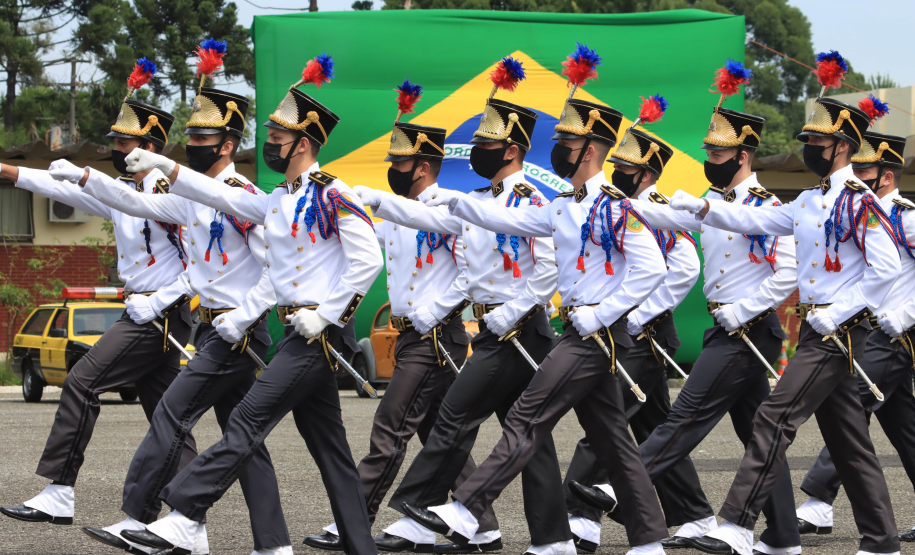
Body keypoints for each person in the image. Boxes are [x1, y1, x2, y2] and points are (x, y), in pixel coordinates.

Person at [108, 54, 383, 555]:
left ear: (303, 142)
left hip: (318, 334)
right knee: (332, 453)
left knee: (246, 421)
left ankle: (186, 513)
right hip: (298, 330)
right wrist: (165, 165)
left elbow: (368, 259)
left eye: (278, 141)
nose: (270, 147)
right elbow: (226, 199)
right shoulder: (279, 199)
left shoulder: (333, 194)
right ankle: (360, 548)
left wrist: (326, 313)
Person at [410, 77, 673, 554]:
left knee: (527, 417)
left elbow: (653, 266)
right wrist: (458, 201)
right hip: (582, 328)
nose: (559, 151)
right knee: (614, 441)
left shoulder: (613, 206)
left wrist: (603, 313)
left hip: (593, 335)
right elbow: (508, 220)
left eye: (568, 144)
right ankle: (650, 539)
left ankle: (467, 507)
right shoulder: (564, 206)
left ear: (590, 151)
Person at [66, 43, 293, 555]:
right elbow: (132, 199)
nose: (193, 143)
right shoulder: (192, 194)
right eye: (188, 135)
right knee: (245, 440)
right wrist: (85, 176)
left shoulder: (242, 196)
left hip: (237, 331)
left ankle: (144, 517)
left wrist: (245, 315)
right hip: (217, 328)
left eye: (203, 136)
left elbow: (277, 267)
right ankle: (273, 545)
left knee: (172, 412)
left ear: (229, 143)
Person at [669, 56, 901, 555]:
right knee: (849, 442)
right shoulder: (813, 200)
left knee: (775, 416)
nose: (808, 149)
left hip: (839, 331)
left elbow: (884, 271)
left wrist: (838, 313)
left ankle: (735, 522)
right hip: (822, 330)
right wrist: (705, 207)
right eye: (808, 142)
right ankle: (882, 541)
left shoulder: (860, 200)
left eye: (816, 143)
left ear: (842, 146)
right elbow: (761, 224)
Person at [569, 60, 802, 555]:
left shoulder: (764, 206)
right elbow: (669, 217)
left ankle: (619, 489)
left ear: (743, 154)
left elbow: (787, 271)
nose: (710, 158)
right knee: (759, 435)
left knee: (686, 417)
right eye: (709, 151)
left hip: (747, 329)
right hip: (730, 328)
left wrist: (745, 310)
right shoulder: (711, 201)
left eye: (719, 152)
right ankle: (783, 536)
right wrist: (625, 206)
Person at [355, 57, 572, 554]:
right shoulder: (483, 197)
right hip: (496, 327)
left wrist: (515, 309)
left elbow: (550, 262)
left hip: (520, 327)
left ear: (512, 150)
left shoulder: (528, 198)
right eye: (475, 144)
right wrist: (379, 201)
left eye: (485, 145)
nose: (476, 152)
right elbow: (441, 222)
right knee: (525, 435)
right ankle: (548, 538)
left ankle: (419, 513)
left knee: (455, 416)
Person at [0, 58, 196, 528]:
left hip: (159, 314)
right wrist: (9, 172)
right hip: (146, 311)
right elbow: (71, 192)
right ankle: (190, 512)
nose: (115, 149)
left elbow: (204, 262)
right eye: (114, 142)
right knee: (167, 416)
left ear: (152, 146)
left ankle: (59, 491)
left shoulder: (172, 191)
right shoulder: (125, 188)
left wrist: (163, 300)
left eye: (124, 143)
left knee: (82, 380)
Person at [303, 81, 493, 553]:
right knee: (439, 436)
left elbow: (474, 268)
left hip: (435, 336)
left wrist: (437, 309)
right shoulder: (394, 211)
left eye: (399, 163)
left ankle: (354, 521)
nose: (392, 171)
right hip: (410, 337)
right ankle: (484, 524)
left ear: (423, 166)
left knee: (389, 429)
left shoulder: (449, 206)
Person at [551, 81, 702, 553]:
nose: (620, 173)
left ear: (648, 173)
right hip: (626, 333)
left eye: (629, 169)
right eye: (617, 166)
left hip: (644, 336)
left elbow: (684, 268)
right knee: (652, 426)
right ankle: (694, 515)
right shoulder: (613, 203)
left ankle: (580, 518)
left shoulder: (652, 209)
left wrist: (641, 316)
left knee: (603, 428)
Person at [794, 123, 915, 542]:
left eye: (866, 172)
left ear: (886, 175)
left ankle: (818, 502)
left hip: (893, 334)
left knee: (850, 408)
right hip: (867, 329)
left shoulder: (905, 217)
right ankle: (822, 505)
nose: (856, 178)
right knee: (905, 427)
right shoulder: (853, 210)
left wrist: (907, 314)